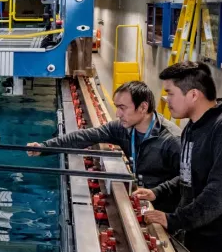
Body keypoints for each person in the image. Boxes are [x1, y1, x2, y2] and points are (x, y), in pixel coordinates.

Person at [27, 81, 181, 211]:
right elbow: (85, 136)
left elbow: (189, 180)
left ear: (143, 107)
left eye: (123, 108)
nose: (118, 114)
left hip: (168, 213)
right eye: (116, 107)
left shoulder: (172, 141)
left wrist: (156, 192)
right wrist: (44, 147)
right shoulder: (123, 128)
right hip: (144, 202)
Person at [134, 61, 222, 252]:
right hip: (194, 241)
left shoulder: (220, 129)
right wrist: (156, 193)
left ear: (193, 95)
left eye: (170, 93)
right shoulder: (192, 128)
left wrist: (174, 220)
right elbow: (189, 175)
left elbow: (218, 194)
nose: (166, 99)